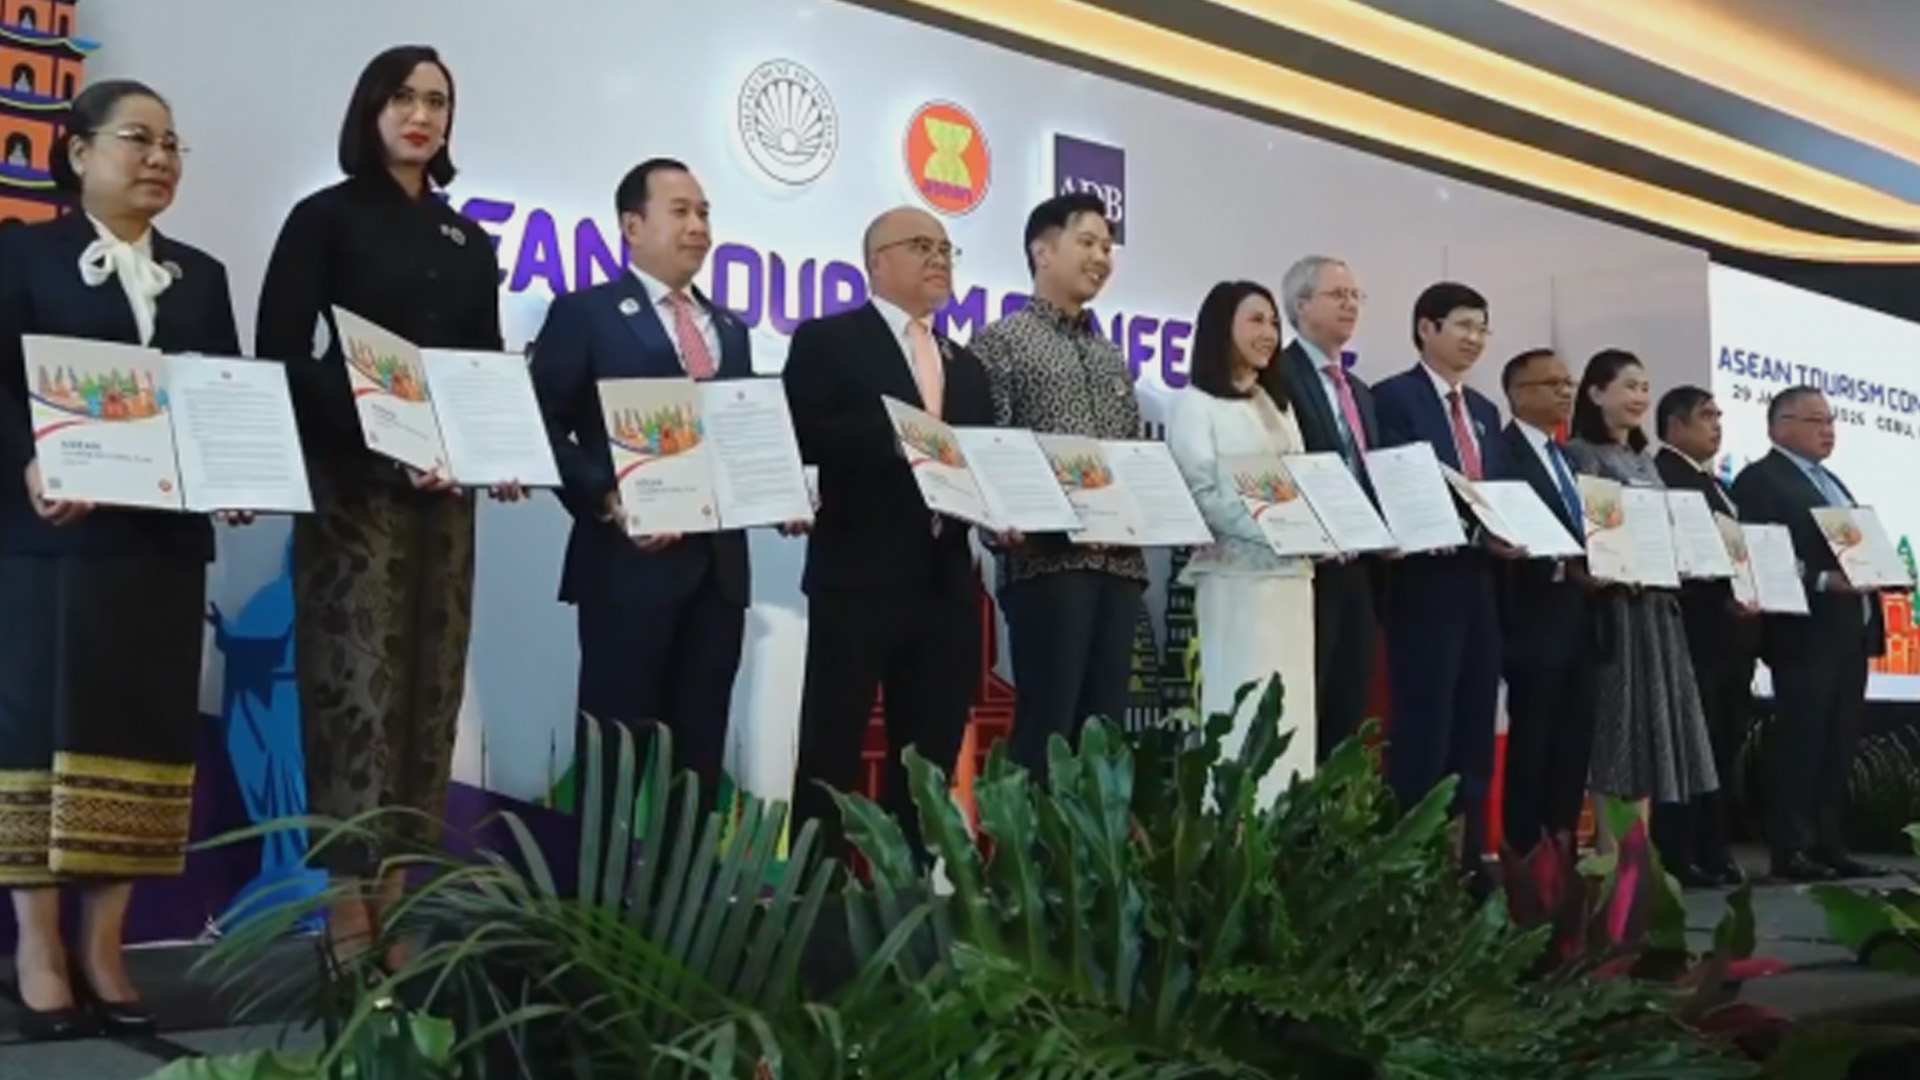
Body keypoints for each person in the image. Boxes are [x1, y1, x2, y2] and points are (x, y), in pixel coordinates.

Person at [254, 45, 522, 969]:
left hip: (443, 499)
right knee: (355, 695)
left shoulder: (467, 240)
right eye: (404, 97)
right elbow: (283, 354)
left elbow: (482, 367)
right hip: (353, 494)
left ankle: (399, 900)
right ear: (370, 108)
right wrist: (381, 426)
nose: (421, 115)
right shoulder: (323, 218)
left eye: (438, 101)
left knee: (427, 698)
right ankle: (345, 908)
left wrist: (486, 448)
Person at [0, 79, 246, 1040]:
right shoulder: (20, 253)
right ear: (78, 153)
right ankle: (38, 949)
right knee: (35, 734)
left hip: (160, 547)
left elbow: (221, 396)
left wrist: (235, 467)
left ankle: (106, 947)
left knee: (141, 737)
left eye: (172, 144)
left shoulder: (202, 275)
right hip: (49, 540)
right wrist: (30, 457)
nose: (159, 159)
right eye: (138, 139)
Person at [529, 158, 785, 848]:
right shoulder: (586, 313)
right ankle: (596, 900)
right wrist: (604, 496)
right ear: (632, 225)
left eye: (704, 213)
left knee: (697, 760)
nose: (698, 226)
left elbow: (740, 437)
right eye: (681, 211)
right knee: (613, 754)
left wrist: (780, 488)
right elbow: (540, 421)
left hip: (719, 574)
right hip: (626, 568)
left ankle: (682, 899)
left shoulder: (730, 328)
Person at [782, 206, 994, 864]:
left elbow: (983, 460)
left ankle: (912, 897)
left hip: (946, 581)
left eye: (946, 249)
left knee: (928, 761)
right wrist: (897, 438)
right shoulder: (829, 340)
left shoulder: (966, 364)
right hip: (858, 575)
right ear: (877, 261)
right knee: (832, 748)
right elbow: (802, 432)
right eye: (921, 245)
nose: (939, 259)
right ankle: (814, 897)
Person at [969, 193, 1144, 777]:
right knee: (1048, 728)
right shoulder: (1002, 341)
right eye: (1087, 242)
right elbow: (988, 446)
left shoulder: (1110, 354)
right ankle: (1029, 838)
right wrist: (1003, 525)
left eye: (1107, 247)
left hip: (1119, 567)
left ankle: (1097, 839)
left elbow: (1129, 453)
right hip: (1047, 565)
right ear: (1042, 252)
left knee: (1105, 737)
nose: (1101, 257)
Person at [1372, 282, 1514, 879]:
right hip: (1424, 583)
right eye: (1463, 325)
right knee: (1424, 724)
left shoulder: (1484, 411)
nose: (1474, 338)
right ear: (1426, 328)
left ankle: (1469, 857)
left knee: (1474, 723)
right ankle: (1414, 863)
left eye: (1482, 328)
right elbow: (1396, 482)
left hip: (1481, 580)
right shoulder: (1393, 398)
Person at [1167, 281, 1317, 799]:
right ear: (1220, 327)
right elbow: (1201, 493)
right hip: (1236, 580)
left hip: (1293, 578)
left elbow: (1301, 484)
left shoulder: (1279, 404)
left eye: (1273, 322)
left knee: (1291, 707)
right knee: (1241, 704)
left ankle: (1287, 826)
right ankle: (1233, 827)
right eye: (1255, 320)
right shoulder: (1195, 403)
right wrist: (1274, 531)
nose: (1269, 333)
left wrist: (1314, 528)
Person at [1564, 350, 1718, 847]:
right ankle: (1612, 861)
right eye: (1629, 386)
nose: (1639, 397)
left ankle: (1638, 866)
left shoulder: (1643, 461)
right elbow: (1591, 534)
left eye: (1645, 388)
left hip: (1658, 609)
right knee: (1619, 737)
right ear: (1595, 393)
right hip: (1616, 611)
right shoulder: (1581, 454)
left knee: (1654, 739)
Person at [1732, 386, 1884, 882]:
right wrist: (1821, 581)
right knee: (1801, 741)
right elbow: (1761, 554)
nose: (1828, 430)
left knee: (1837, 743)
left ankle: (1829, 843)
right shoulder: (1761, 480)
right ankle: (1791, 847)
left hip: (1848, 632)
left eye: (1831, 420)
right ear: (1780, 427)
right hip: (1804, 634)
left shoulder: (1829, 481)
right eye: (1816, 420)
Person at [1270, 255, 1381, 760]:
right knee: (1304, 702)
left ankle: (1335, 805)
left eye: (1356, 295)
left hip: (1360, 566)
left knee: (1347, 703)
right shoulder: (1278, 375)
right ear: (1301, 305)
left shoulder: (1358, 390)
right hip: (1307, 565)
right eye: (1338, 295)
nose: (1351, 305)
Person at [1494, 348, 1598, 854]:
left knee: (1574, 739)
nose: (1565, 392)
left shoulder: (1568, 457)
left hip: (1582, 613)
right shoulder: (1501, 453)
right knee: (1534, 737)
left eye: (1568, 383)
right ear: (1517, 393)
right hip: (1532, 614)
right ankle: (1524, 852)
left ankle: (1562, 845)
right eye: (1552, 384)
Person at [1653, 386, 1755, 886]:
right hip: (1694, 631)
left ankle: (1714, 848)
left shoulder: (1711, 482)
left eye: (1719, 415)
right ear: (1674, 426)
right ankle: (1683, 850)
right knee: (1694, 745)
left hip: (1730, 635)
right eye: (1705, 416)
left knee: (1722, 742)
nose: (1716, 425)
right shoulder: (1663, 477)